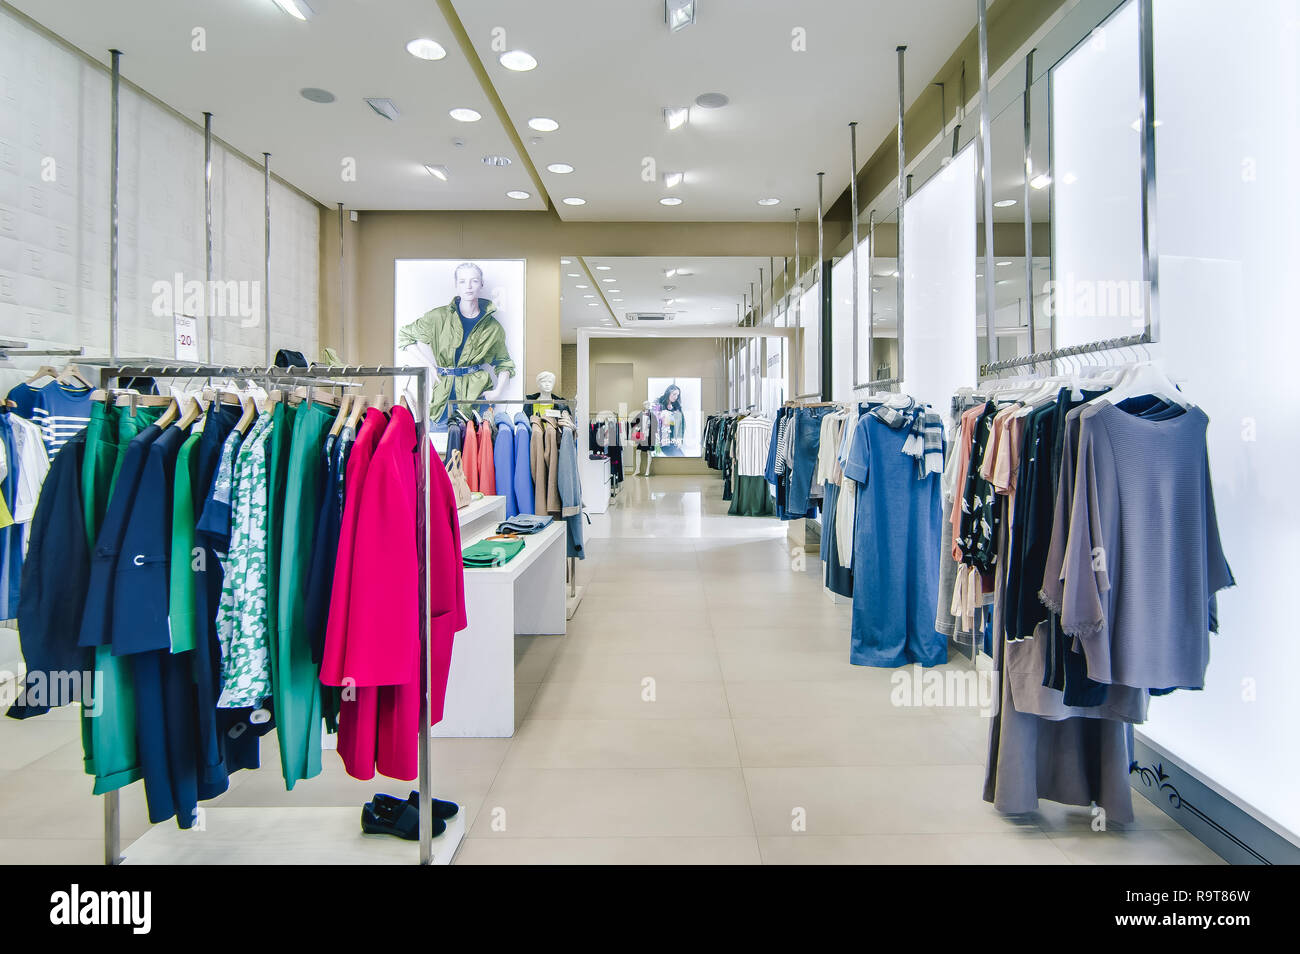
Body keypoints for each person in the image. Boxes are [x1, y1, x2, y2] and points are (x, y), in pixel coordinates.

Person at [397, 262, 517, 423]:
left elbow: (504, 363)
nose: (468, 286)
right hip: (441, 400)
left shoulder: (493, 327)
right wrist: (430, 366)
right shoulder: (437, 317)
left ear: (481, 283)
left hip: (476, 400)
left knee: (477, 447)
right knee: (437, 444)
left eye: (474, 281)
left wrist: (497, 391)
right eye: (462, 281)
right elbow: (405, 336)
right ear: (456, 285)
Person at [654, 384, 685, 457]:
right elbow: (654, 421)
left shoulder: (677, 406)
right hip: (663, 440)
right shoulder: (658, 403)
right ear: (668, 393)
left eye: (677, 395)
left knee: (681, 458)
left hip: (674, 440)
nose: (676, 397)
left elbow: (682, 424)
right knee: (678, 458)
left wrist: (680, 439)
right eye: (674, 394)